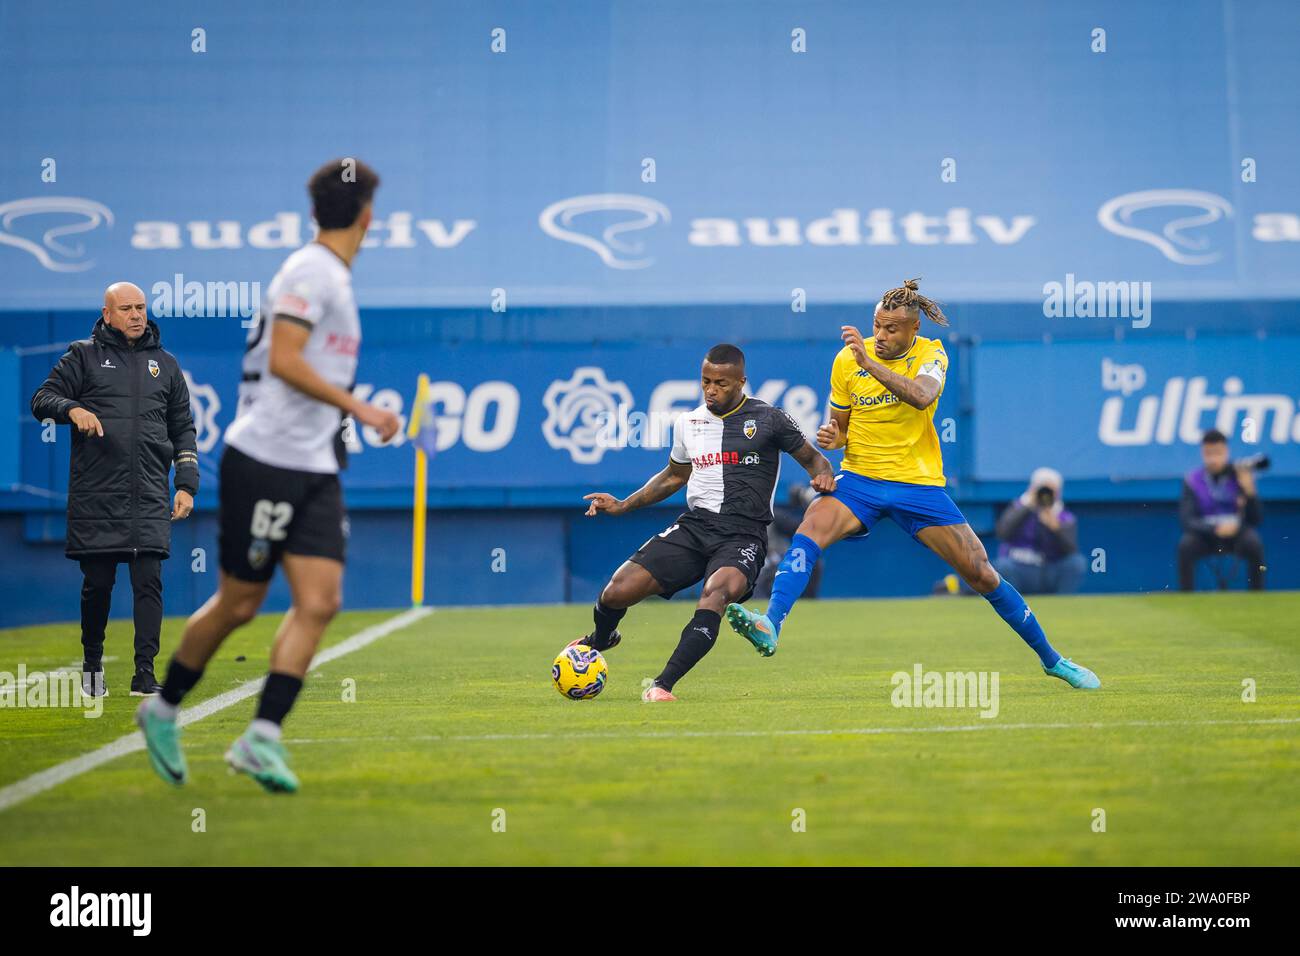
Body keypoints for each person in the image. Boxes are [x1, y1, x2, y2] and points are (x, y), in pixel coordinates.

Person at [135, 159, 401, 793]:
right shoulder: (312, 270)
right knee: (241, 602)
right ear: (367, 215)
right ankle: (164, 706)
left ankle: (261, 739)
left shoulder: (329, 274)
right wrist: (358, 408)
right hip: (268, 461)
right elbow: (284, 359)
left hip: (312, 466)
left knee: (320, 601)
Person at [725, 279, 1100, 689]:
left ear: (913, 330)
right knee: (809, 528)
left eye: (891, 329)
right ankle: (770, 622)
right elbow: (842, 428)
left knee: (982, 574)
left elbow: (921, 397)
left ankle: (1052, 659)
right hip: (861, 479)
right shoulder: (846, 361)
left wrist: (869, 363)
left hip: (918, 485)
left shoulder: (930, 355)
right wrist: (834, 437)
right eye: (877, 326)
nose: (881, 336)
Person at [580, 344, 835, 701]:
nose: (711, 390)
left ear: (741, 381)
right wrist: (623, 504)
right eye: (705, 382)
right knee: (616, 592)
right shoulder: (689, 422)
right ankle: (602, 638)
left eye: (721, 383)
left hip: (744, 535)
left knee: (715, 593)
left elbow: (816, 461)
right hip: (695, 527)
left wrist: (822, 478)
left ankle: (662, 685)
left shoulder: (769, 419)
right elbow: (673, 477)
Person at [31, 282, 198, 699]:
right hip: (98, 495)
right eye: (126, 308)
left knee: (149, 582)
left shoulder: (167, 364)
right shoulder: (82, 356)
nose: (137, 315)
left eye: (141, 307)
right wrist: (72, 408)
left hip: (148, 495)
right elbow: (42, 399)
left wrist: (186, 485)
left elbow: (183, 429)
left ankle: (145, 672)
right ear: (107, 314)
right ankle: (92, 664)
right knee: (98, 585)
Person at [1178, 429, 1265, 590]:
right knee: (1186, 545)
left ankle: (1257, 594)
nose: (1213, 459)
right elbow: (1187, 520)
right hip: (1206, 535)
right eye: (1208, 453)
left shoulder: (1239, 475)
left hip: (1237, 533)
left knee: (1254, 543)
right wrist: (1215, 529)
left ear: (1226, 452)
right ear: (1202, 453)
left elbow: (1255, 519)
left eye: (1217, 453)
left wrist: (1250, 492)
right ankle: (1186, 596)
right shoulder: (1192, 480)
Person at [991, 467, 1085, 595]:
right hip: (1019, 567)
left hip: (1049, 569)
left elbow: (1071, 550)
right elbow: (1002, 533)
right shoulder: (1018, 507)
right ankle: (1013, 605)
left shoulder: (1063, 516)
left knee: (1076, 563)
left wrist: (1055, 527)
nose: (1045, 495)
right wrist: (1027, 507)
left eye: (1050, 490)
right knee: (1003, 566)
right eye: (1042, 489)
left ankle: (1063, 606)